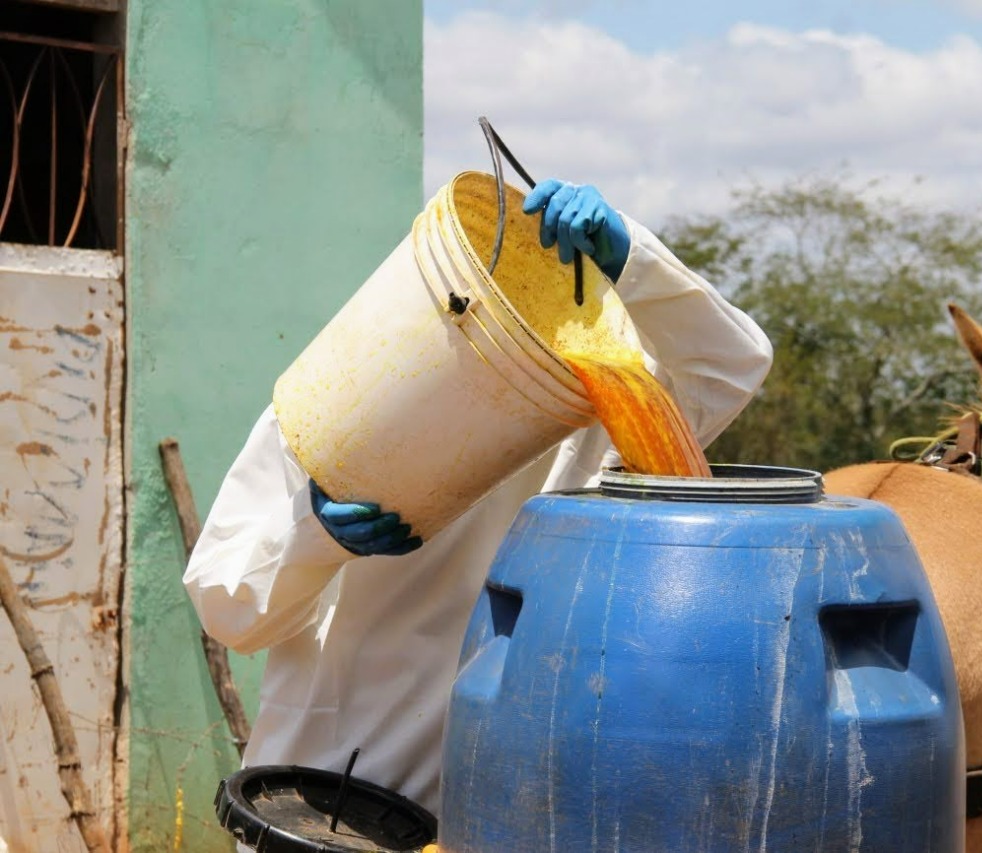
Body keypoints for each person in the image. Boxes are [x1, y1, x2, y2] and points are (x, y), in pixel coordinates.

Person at [183, 178, 774, 819]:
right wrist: (311, 537)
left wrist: (632, 256)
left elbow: (732, 362)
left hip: (490, 805)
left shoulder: (585, 420)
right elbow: (227, 610)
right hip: (317, 797)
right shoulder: (321, 409)